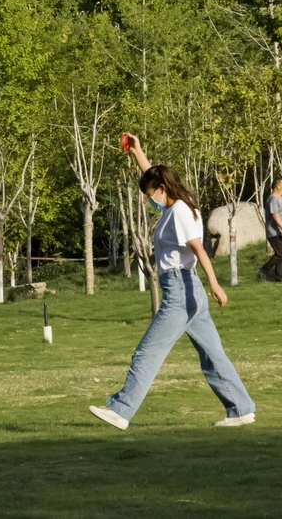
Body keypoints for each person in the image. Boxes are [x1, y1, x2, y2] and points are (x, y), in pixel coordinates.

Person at [89, 133, 256, 430]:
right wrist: (138, 153)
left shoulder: (178, 212)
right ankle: (241, 410)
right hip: (189, 290)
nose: (148, 199)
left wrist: (215, 283)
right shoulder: (177, 206)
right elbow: (153, 176)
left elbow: (198, 249)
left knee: (147, 351)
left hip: (180, 292)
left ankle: (121, 411)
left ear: (162, 189)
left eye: (149, 194)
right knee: (212, 355)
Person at [259, 178, 282, 281]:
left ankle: (279, 276)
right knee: (281, 254)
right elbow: (274, 214)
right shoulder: (273, 199)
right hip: (274, 232)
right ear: (278, 186)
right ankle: (264, 270)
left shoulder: (279, 199)